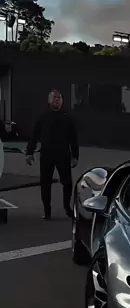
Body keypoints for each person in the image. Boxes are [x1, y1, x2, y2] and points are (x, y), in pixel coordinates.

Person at [25, 90, 79, 220]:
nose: (57, 100)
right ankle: (47, 210)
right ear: (49, 100)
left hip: (63, 155)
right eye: (54, 98)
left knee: (67, 183)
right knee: (45, 184)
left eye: (59, 98)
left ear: (62, 101)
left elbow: (73, 138)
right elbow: (34, 135)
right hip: (46, 155)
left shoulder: (67, 118)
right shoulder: (43, 117)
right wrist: (29, 152)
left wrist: (75, 156)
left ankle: (66, 206)